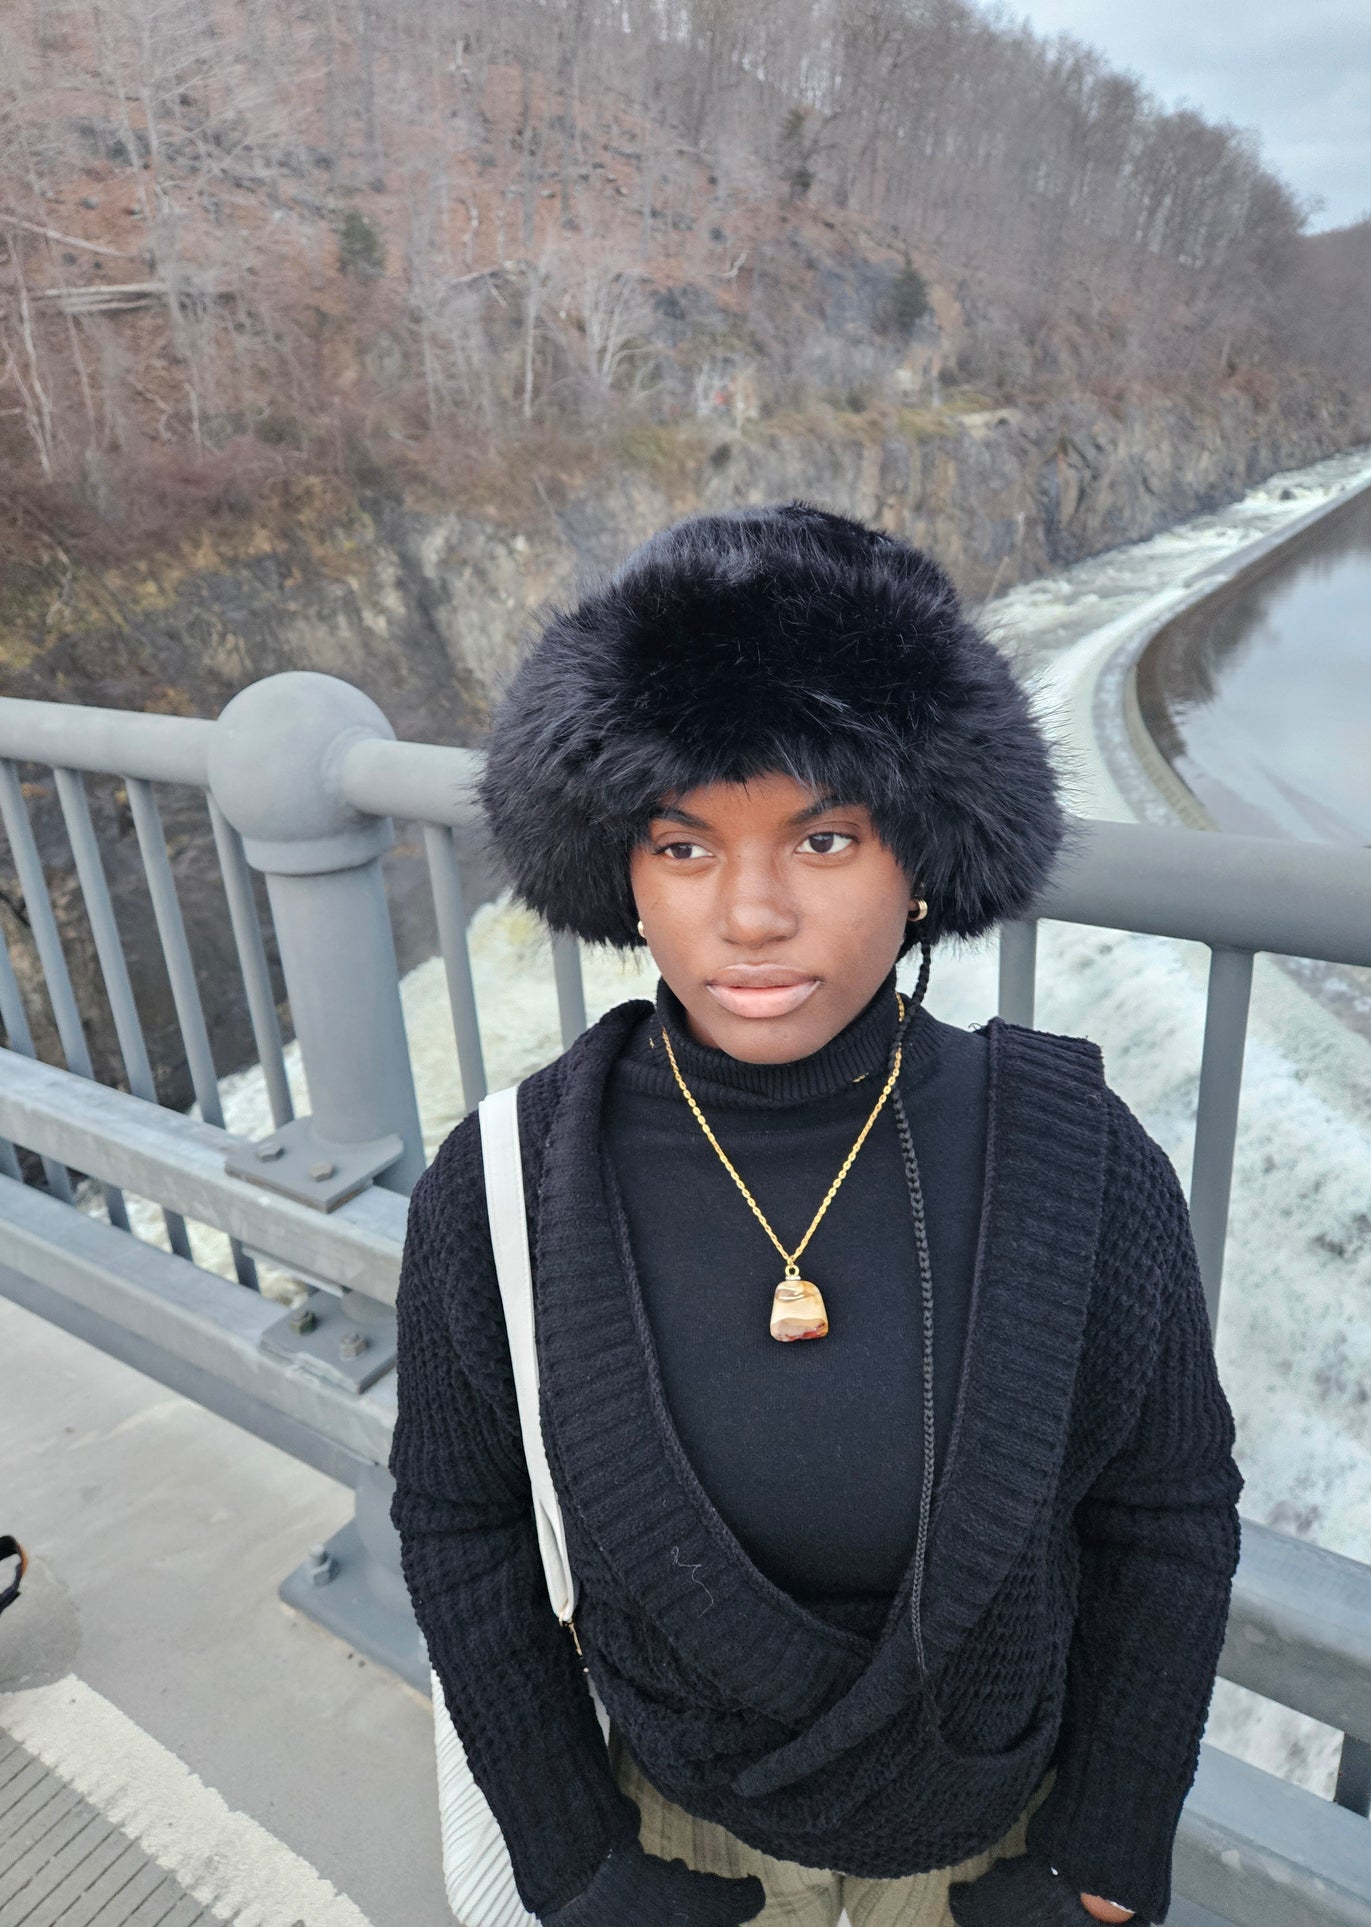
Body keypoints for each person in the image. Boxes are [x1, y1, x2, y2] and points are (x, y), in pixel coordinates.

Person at [388, 501, 1244, 1927]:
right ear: (618, 873)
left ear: (923, 861)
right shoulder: (501, 1185)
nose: (751, 913)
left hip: (992, 1837)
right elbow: (460, 1523)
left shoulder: (1076, 1158)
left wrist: (1102, 1857)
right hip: (677, 1836)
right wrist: (576, 1862)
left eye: (824, 840)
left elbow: (1165, 1511)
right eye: (682, 845)